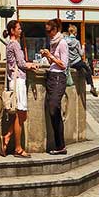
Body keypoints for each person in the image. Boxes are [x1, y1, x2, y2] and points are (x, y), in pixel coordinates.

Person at [37, 23, 70, 156]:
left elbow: (63, 65)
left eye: (49, 30)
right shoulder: (53, 43)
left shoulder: (62, 43)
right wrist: (47, 56)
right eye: (46, 31)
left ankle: (60, 145)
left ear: (55, 30)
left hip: (58, 78)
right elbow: (53, 63)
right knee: (52, 111)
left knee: (54, 107)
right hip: (51, 76)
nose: (48, 33)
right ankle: (59, 145)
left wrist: (50, 56)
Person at [0, 22, 30, 158]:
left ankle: (7, 137)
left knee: (22, 115)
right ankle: (18, 148)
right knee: (20, 114)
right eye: (18, 28)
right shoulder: (15, 44)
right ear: (13, 31)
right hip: (18, 80)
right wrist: (32, 65)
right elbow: (21, 63)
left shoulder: (9, 44)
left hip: (14, 79)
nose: (21, 30)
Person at [65, 23, 96, 97]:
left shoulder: (65, 41)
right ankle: (92, 87)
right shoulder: (76, 42)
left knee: (83, 70)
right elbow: (81, 53)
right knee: (88, 70)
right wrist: (83, 47)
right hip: (77, 61)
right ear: (75, 33)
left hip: (70, 63)